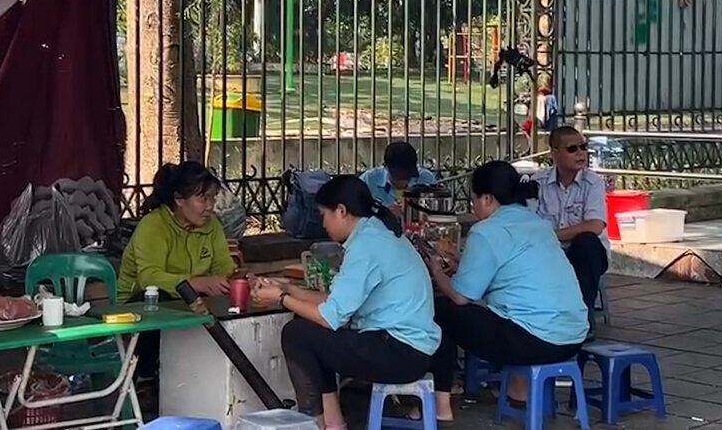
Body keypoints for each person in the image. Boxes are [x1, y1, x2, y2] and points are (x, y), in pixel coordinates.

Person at [251, 175, 440, 430]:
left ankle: (313, 421)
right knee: (306, 324)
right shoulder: (376, 234)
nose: (323, 223)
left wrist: (281, 299)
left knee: (297, 334)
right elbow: (337, 302)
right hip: (408, 349)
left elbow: (330, 317)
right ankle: (332, 420)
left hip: (399, 352)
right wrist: (288, 288)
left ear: (341, 211)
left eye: (324, 214)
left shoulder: (365, 245)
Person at [426, 161, 588, 423]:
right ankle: (516, 391)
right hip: (572, 337)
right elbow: (511, 273)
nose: (473, 206)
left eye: (474, 199)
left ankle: (440, 401)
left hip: (533, 340)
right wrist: (462, 264)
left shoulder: (487, 231)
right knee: (478, 313)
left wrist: (437, 271)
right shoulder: (538, 223)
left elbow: (460, 296)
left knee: (438, 310)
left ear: (488, 198)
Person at [116, 161, 236, 392]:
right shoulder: (154, 226)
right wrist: (194, 283)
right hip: (138, 308)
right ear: (180, 200)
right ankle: (147, 377)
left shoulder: (212, 227)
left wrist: (229, 280)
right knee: (157, 298)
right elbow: (149, 278)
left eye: (212, 198)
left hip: (188, 303)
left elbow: (224, 267)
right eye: (203, 199)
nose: (210, 206)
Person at [531, 126, 610, 334]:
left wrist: (551, 235)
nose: (580, 153)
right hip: (550, 252)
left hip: (585, 254)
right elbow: (528, 224)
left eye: (583, 147)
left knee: (586, 242)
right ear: (554, 152)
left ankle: (582, 318)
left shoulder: (592, 183)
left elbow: (595, 225)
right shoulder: (537, 183)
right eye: (572, 149)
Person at [359, 141, 436, 209]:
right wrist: (383, 215)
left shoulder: (426, 179)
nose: (403, 182)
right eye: (398, 176)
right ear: (386, 167)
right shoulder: (369, 180)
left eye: (407, 176)